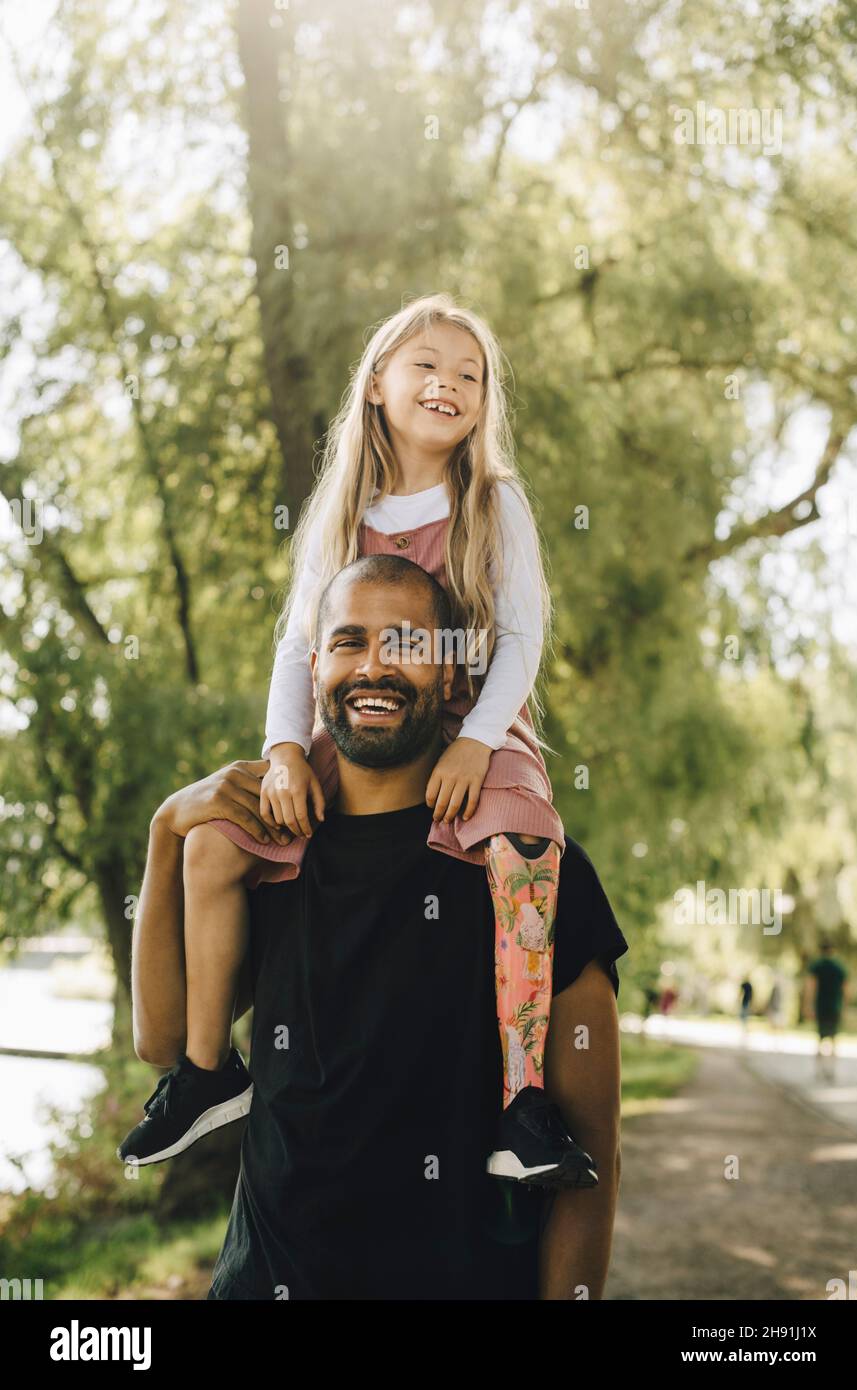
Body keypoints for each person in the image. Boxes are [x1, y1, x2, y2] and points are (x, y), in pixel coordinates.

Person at [119, 292, 582, 1185]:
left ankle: (521, 1105)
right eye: (426, 366)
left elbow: (521, 638)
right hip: (356, 719)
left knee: (524, 844)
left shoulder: (493, 501)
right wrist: (287, 751)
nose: (447, 383)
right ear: (377, 384)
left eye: (469, 373)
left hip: (474, 716)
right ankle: (210, 1070)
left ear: (485, 402)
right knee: (215, 840)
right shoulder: (343, 507)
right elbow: (300, 646)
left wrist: (479, 741)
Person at [126, 562, 628, 1299]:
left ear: (453, 677)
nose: (373, 666)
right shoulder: (266, 862)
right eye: (349, 641)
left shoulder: (531, 872)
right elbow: (164, 1042)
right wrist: (167, 831)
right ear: (314, 668)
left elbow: (592, 1154)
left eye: (405, 643)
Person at [805, 939, 847, 1079]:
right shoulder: (839, 967)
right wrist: (844, 1007)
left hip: (821, 1006)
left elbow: (811, 987)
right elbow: (846, 989)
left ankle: (818, 1070)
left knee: (820, 1038)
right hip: (835, 1006)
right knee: (834, 1039)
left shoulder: (817, 966)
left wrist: (808, 1006)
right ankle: (832, 1070)